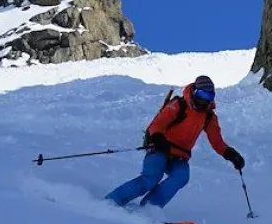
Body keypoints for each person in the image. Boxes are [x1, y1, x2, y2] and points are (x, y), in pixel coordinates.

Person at [105, 75, 245, 209]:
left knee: (181, 176)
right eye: (202, 95)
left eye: (209, 96)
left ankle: (149, 207)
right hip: (160, 148)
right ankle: (112, 201)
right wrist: (158, 138)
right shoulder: (179, 104)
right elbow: (157, 124)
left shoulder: (209, 117)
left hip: (179, 156)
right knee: (151, 178)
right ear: (195, 92)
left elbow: (217, 142)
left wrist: (231, 154)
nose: (204, 100)